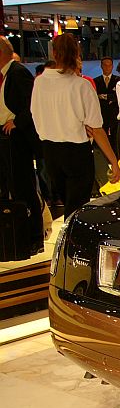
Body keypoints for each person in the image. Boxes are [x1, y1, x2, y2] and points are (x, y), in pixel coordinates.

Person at [31, 33, 120, 219]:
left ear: (54, 53)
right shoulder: (82, 86)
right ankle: (71, 245)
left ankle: (67, 243)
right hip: (76, 153)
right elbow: (96, 129)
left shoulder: (39, 82)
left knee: (67, 204)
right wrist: (114, 162)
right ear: (77, 54)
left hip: (50, 151)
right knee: (76, 209)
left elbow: (35, 115)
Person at [0, 35, 43, 256]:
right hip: (3, 137)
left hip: (16, 139)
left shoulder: (18, 73)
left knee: (23, 187)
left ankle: (34, 237)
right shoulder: (5, 75)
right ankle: (12, 236)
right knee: (7, 186)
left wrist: (16, 122)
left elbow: (30, 105)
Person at [94, 56, 120, 155]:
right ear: (101, 66)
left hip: (115, 115)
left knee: (114, 139)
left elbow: (118, 97)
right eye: (105, 65)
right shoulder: (96, 81)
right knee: (102, 138)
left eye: (109, 65)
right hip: (101, 114)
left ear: (112, 66)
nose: (107, 67)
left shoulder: (118, 81)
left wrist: (105, 97)